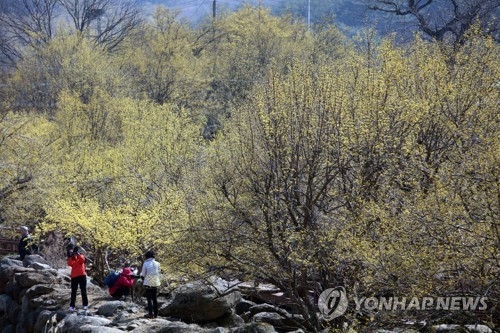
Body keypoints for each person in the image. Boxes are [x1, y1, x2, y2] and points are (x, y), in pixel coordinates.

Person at [67, 246, 88, 312]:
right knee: (73, 292)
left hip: (82, 275)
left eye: (73, 251)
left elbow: (83, 261)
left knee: (83, 291)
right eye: (71, 252)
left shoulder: (80, 256)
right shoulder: (72, 258)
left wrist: (77, 254)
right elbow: (70, 264)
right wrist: (70, 256)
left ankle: (85, 305)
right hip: (74, 277)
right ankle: (72, 306)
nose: (73, 252)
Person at [141, 250, 161, 318]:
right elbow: (159, 273)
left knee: (149, 299)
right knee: (155, 298)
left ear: (147, 256)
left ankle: (150, 313)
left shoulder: (145, 263)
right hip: (155, 282)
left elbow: (143, 274)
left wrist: (143, 278)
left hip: (148, 282)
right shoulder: (158, 263)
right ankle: (156, 314)